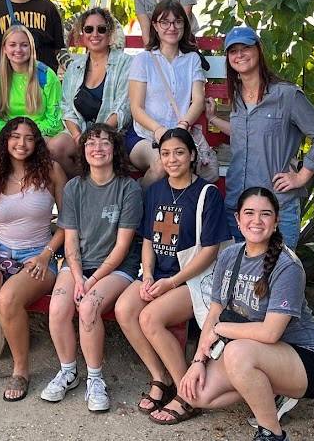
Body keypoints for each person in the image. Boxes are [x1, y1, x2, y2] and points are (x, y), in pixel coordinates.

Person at [175, 187, 314, 440]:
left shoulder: (287, 265)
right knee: (198, 395)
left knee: (236, 352)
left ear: (276, 220)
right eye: (249, 213)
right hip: (255, 351)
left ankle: (272, 432)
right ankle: (266, 389)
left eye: (265, 214)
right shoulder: (228, 256)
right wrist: (197, 362)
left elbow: (270, 333)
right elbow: (215, 312)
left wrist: (220, 330)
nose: (256, 221)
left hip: (303, 357)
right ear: (237, 219)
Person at [114, 128, 229, 423]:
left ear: (192, 155)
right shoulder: (155, 191)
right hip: (160, 274)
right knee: (124, 309)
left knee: (149, 317)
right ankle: (160, 378)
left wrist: (172, 282)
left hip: (192, 278)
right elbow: (150, 240)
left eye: (179, 152)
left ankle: (187, 394)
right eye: (165, 153)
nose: (172, 159)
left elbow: (210, 251)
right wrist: (149, 274)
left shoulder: (208, 193)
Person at [0, 117, 66, 402]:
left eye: (29, 138)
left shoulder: (51, 171)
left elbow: (69, 224)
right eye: (15, 137)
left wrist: (46, 256)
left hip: (39, 254)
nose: (22, 143)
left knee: (7, 298)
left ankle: (21, 369)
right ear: (5, 140)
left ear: (37, 143)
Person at [40, 124, 142, 412]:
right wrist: (77, 276)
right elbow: (70, 239)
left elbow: (122, 246)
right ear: (83, 151)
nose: (98, 149)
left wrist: (91, 280)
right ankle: (68, 371)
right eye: (91, 144)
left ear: (115, 150)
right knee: (58, 307)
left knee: (88, 308)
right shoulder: (74, 188)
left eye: (105, 143)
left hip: (117, 267)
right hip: (78, 265)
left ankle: (95, 379)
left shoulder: (128, 188)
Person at [205, 25, 314, 248]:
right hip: (239, 204)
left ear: (259, 50)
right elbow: (247, 134)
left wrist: (302, 177)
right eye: (233, 51)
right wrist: (214, 119)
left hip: (276, 206)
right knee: (243, 277)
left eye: (245, 47)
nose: (239, 54)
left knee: (278, 276)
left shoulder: (286, 94)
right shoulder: (237, 97)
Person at [127, 0, 205, 187]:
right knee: (163, 164)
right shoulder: (143, 59)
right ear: (155, 25)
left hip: (180, 133)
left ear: (184, 25)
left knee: (183, 163)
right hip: (145, 136)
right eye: (165, 22)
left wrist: (183, 125)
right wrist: (158, 130)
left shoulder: (192, 59)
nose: (172, 27)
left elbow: (198, 100)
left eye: (177, 22)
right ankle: (139, 206)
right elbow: (136, 108)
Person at [49, 7, 132, 175]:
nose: (95, 34)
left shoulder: (126, 63)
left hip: (111, 132)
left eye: (101, 29)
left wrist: (95, 137)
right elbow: (66, 107)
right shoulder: (74, 67)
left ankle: (95, 186)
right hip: (80, 131)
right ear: (83, 34)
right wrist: (78, 136)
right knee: (54, 148)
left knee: (100, 149)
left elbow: (123, 107)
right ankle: (79, 184)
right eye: (89, 29)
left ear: (109, 34)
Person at [0, 24, 62, 161]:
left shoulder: (46, 76)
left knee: (54, 147)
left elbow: (55, 121)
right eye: (12, 45)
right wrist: (15, 135)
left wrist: (28, 135)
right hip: (11, 134)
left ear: (31, 48)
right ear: (5, 49)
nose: (18, 49)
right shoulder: (0, 82)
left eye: (24, 45)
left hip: (42, 135)